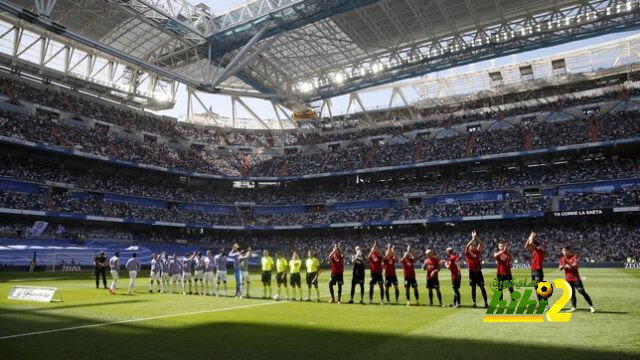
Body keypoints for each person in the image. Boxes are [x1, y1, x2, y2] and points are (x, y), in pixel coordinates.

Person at [559, 246, 595, 313]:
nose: (563, 252)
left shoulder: (573, 257)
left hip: (576, 278)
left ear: (568, 251)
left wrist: (568, 264)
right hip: (568, 279)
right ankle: (574, 307)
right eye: (562, 251)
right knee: (571, 293)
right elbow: (560, 268)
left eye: (564, 251)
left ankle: (591, 307)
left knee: (582, 291)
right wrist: (563, 266)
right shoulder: (562, 259)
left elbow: (575, 265)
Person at [465, 230, 488, 308]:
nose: (473, 246)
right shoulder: (467, 253)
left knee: (482, 287)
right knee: (473, 288)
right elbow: (467, 246)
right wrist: (472, 239)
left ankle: (486, 303)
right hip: (472, 273)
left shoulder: (477, 252)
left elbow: (481, 244)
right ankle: (474, 303)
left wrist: (476, 238)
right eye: (472, 246)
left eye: (473, 245)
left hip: (478, 272)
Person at [525, 230, 545, 303]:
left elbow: (530, 243)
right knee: (536, 287)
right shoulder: (534, 251)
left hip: (538, 270)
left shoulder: (539, 250)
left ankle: (546, 304)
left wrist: (532, 236)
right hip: (533, 270)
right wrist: (529, 237)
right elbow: (526, 246)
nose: (529, 248)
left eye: (531, 246)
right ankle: (541, 303)